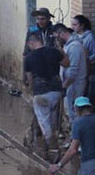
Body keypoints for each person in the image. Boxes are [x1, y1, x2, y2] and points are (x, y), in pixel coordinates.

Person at [23, 31, 65, 160]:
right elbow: (67, 63)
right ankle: (46, 148)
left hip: (41, 93)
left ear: (31, 43)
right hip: (57, 92)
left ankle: (54, 150)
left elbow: (30, 80)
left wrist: (31, 91)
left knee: (44, 123)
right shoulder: (54, 51)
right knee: (53, 121)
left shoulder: (28, 58)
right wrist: (60, 49)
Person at [59, 22, 88, 127]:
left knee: (75, 114)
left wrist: (64, 86)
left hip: (75, 85)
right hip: (70, 85)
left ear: (61, 34)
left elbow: (73, 71)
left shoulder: (74, 47)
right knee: (70, 114)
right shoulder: (68, 46)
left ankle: (76, 140)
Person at [23, 7, 55, 85]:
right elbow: (26, 52)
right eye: (38, 19)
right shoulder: (32, 31)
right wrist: (25, 76)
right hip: (36, 67)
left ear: (48, 19)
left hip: (51, 67)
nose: (40, 21)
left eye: (43, 19)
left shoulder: (53, 30)